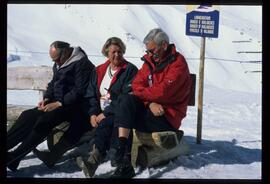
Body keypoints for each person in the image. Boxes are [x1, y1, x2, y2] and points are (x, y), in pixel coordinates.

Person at [109, 28, 192, 178]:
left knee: (126, 112)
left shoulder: (178, 63)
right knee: (126, 100)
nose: (149, 54)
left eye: (152, 50)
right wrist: (149, 103)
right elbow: (136, 84)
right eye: (147, 51)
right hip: (152, 110)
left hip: (167, 116)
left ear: (164, 45)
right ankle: (123, 156)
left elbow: (162, 92)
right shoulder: (150, 61)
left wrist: (144, 96)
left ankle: (123, 158)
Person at [7, 41, 95, 171]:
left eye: (57, 59)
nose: (56, 63)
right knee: (28, 115)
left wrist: (59, 103)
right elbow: (53, 83)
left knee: (44, 121)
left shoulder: (82, 64)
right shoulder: (61, 62)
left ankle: (15, 157)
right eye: (54, 60)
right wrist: (47, 98)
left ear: (64, 52)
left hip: (73, 107)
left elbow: (79, 90)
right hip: (56, 103)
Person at [75, 37, 138, 178]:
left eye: (120, 52)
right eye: (114, 52)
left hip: (121, 113)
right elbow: (91, 94)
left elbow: (126, 97)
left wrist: (106, 112)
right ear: (107, 53)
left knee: (107, 123)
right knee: (78, 121)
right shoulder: (99, 70)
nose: (117, 55)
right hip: (99, 113)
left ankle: (93, 161)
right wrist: (92, 113)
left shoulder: (129, 70)